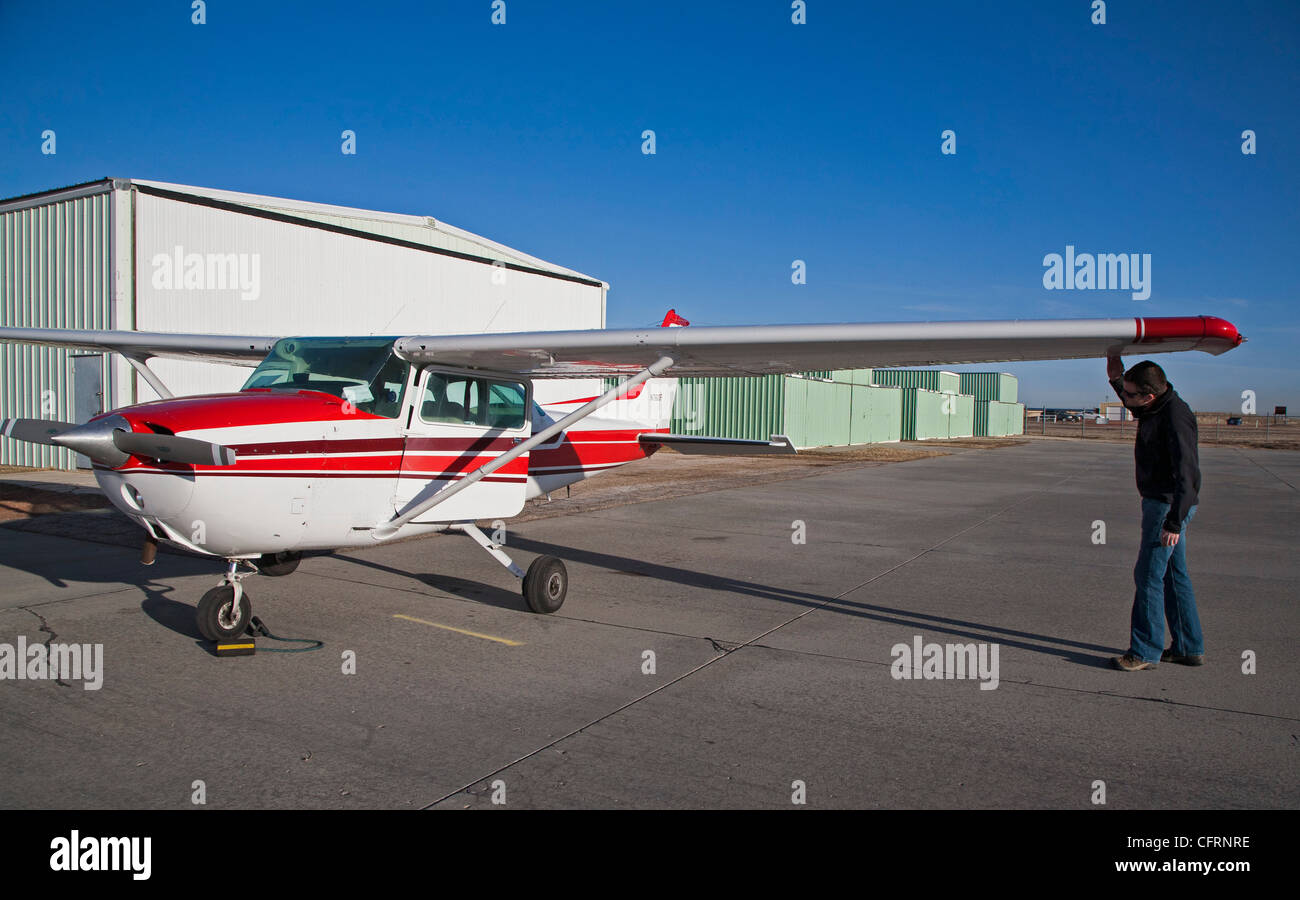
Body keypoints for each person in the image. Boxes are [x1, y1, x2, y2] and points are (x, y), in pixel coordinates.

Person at [1106, 356, 1204, 671]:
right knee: (1175, 577)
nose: (1126, 401)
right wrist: (1116, 378)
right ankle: (1189, 647)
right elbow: (1132, 399)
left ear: (1149, 395)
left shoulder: (1175, 417)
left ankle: (1145, 651)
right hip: (1165, 504)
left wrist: (1174, 522)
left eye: (1131, 395)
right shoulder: (1156, 405)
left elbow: (1187, 476)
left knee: (1148, 575)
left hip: (1167, 506)